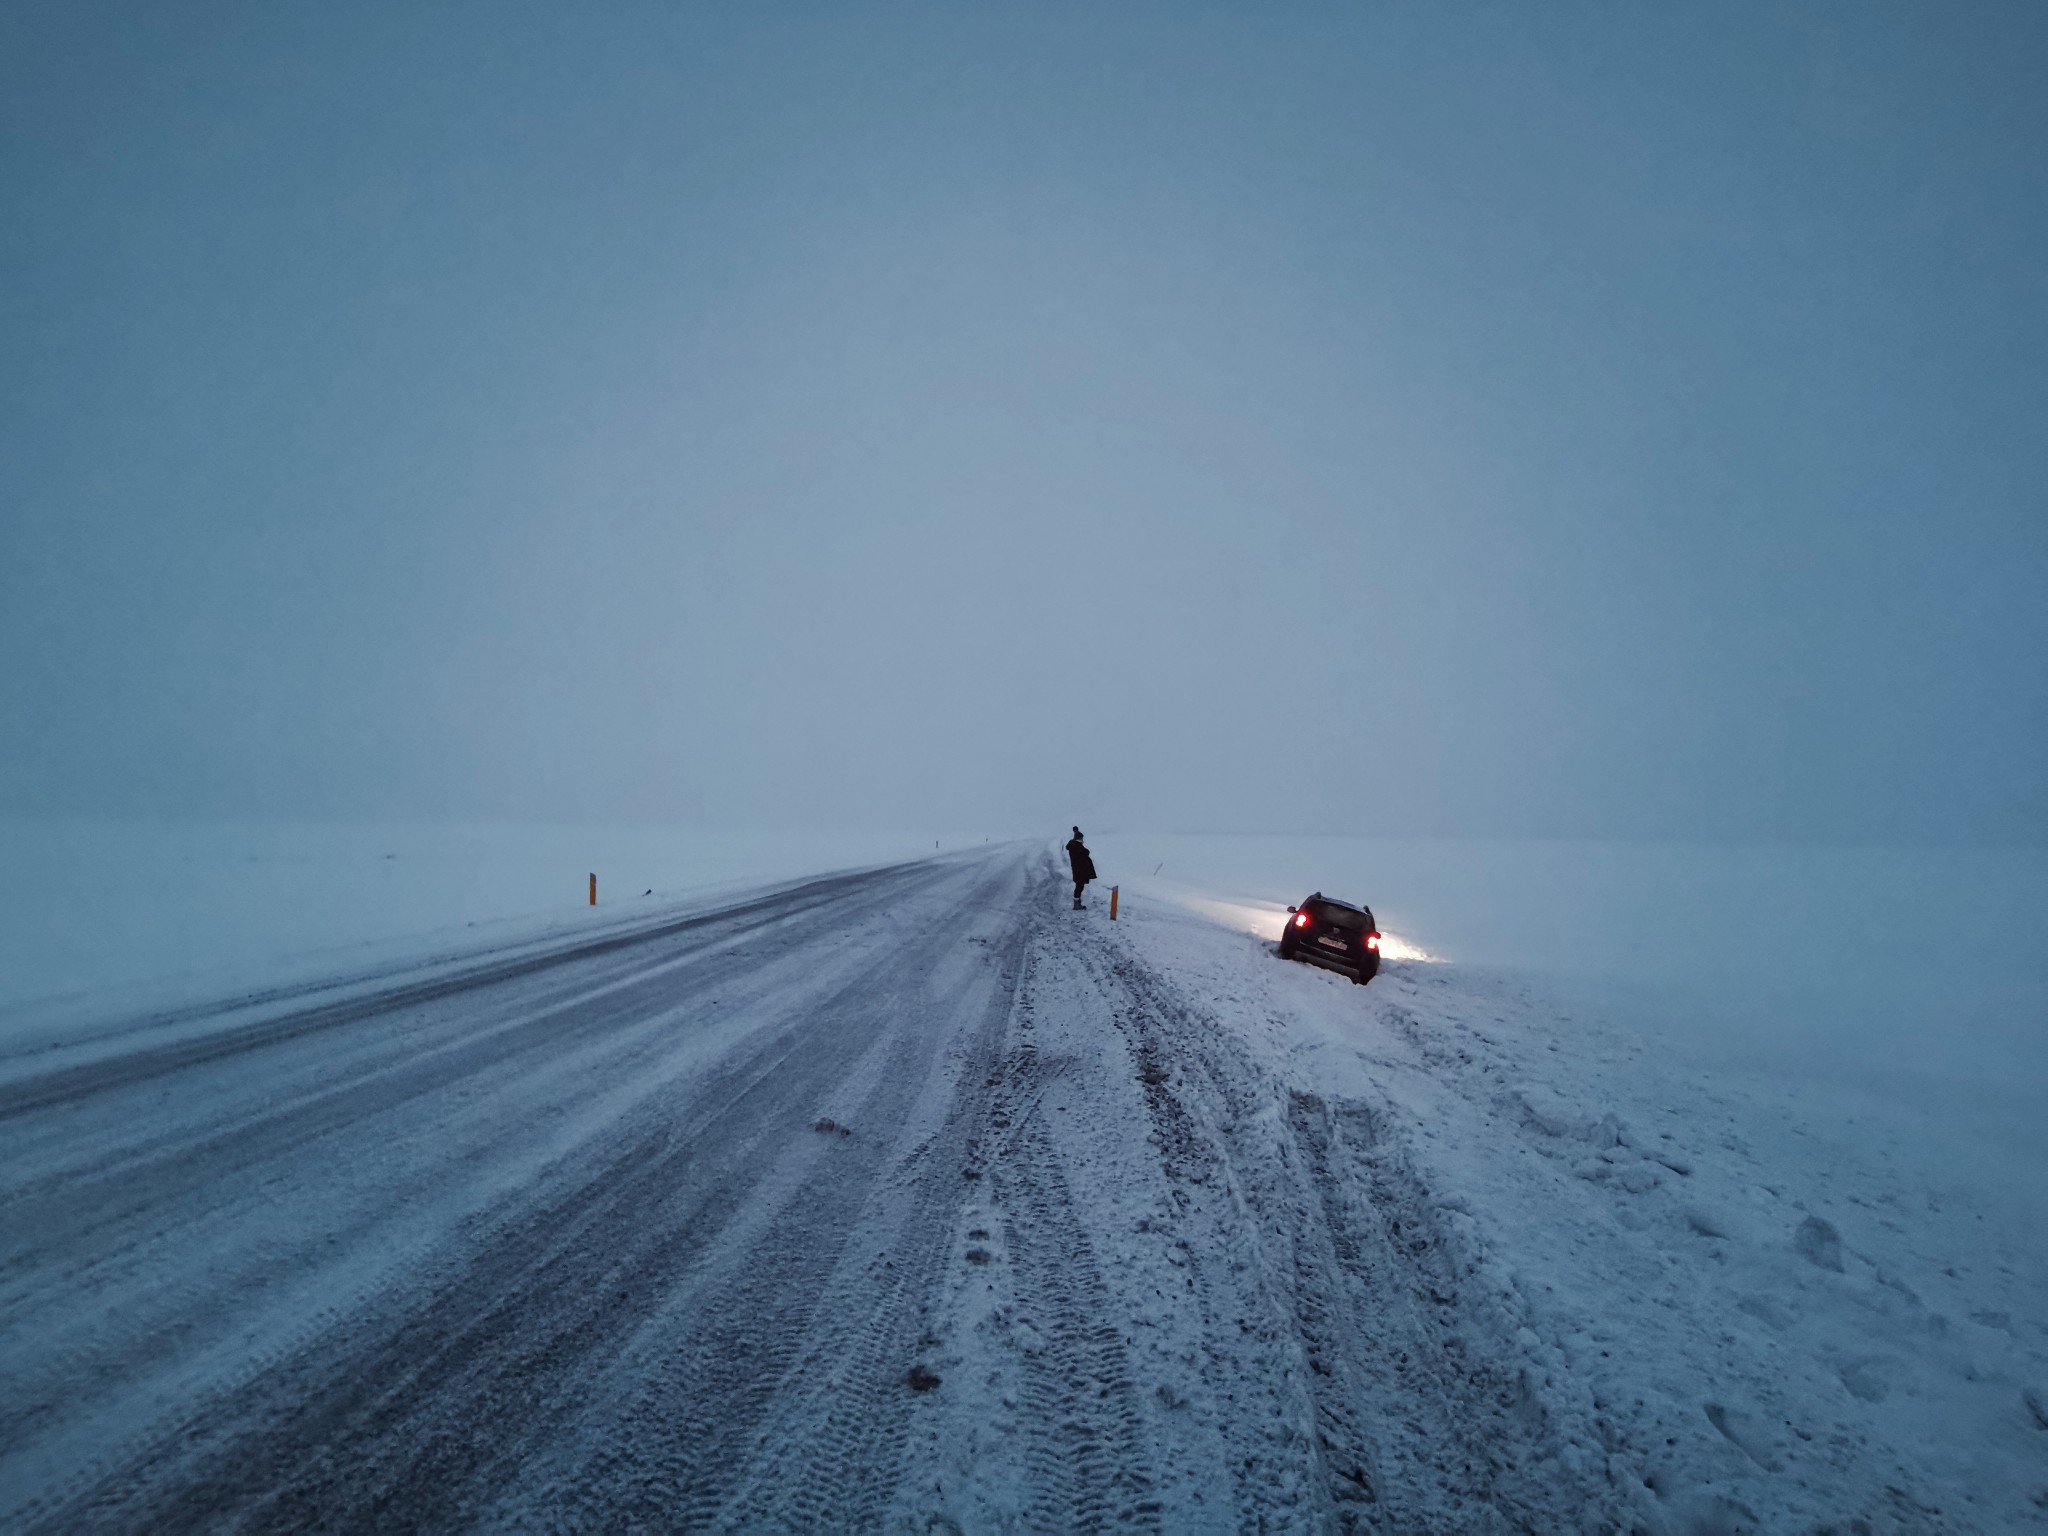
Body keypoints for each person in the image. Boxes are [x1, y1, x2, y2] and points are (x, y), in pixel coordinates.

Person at [1065, 826, 1097, 909]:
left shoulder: (1074, 846)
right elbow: (1085, 852)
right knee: (1079, 887)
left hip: (1078, 870)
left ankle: (1077, 903)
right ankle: (1076, 904)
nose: (1083, 840)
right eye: (1082, 839)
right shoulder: (1077, 847)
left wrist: (1076, 831)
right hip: (1079, 871)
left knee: (1079, 886)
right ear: (1079, 839)